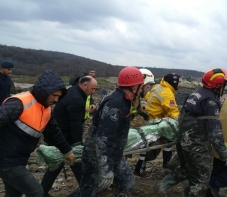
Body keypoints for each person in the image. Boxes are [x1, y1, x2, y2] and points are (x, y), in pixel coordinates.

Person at [154, 69, 227, 197]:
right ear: (219, 85)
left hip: (183, 140)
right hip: (197, 145)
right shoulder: (211, 101)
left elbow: (181, 117)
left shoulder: (195, 94)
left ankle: (163, 185)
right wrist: (224, 153)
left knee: (187, 169)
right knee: (201, 178)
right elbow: (215, 131)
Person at [69, 66, 144, 197]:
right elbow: (104, 138)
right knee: (87, 190)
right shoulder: (116, 104)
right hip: (97, 155)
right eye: (141, 86)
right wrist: (106, 170)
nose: (142, 89)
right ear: (134, 88)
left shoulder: (123, 100)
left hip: (114, 154)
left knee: (127, 183)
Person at [0, 69, 75, 197]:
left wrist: (67, 151)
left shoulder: (46, 109)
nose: (57, 100)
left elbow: (54, 133)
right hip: (6, 160)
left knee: (14, 193)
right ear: (44, 92)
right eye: (54, 95)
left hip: (19, 159)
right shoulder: (19, 103)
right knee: (36, 192)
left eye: (59, 96)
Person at [41, 76, 98, 196]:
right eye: (92, 89)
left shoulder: (74, 91)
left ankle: (42, 191)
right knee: (75, 161)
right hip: (61, 136)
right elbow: (75, 125)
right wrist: (78, 144)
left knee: (58, 163)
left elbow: (75, 122)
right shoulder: (76, 99)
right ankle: (86, 189)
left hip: (58, 133)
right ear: (84, 86)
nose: (93, 92)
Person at [136, 73, 180, 177]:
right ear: (174, 83)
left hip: (147, 120)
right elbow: (173, 112)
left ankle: (164, 165)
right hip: (155, 124)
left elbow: (147, 97)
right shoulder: (167, 93)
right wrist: (181, 124)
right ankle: (140, 169)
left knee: (162, 142)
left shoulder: (157, 87)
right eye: (178, 82)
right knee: (149, 147)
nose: (179, 85)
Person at [130, 68, 156, 178]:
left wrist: (143, 113)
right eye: (148, 85)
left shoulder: (135, 97)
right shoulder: (127, 99)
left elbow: (137, 108)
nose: (149, 88)